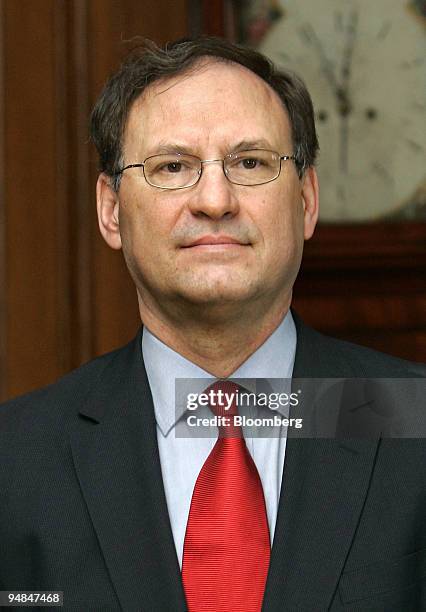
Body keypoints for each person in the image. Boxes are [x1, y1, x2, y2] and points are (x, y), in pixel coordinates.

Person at [0, 37, 425, 612]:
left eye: (250, 162)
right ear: (111, 209)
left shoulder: (413, 423)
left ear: (305, 200)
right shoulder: (17, 457)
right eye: (172, 166)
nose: (215, 199)